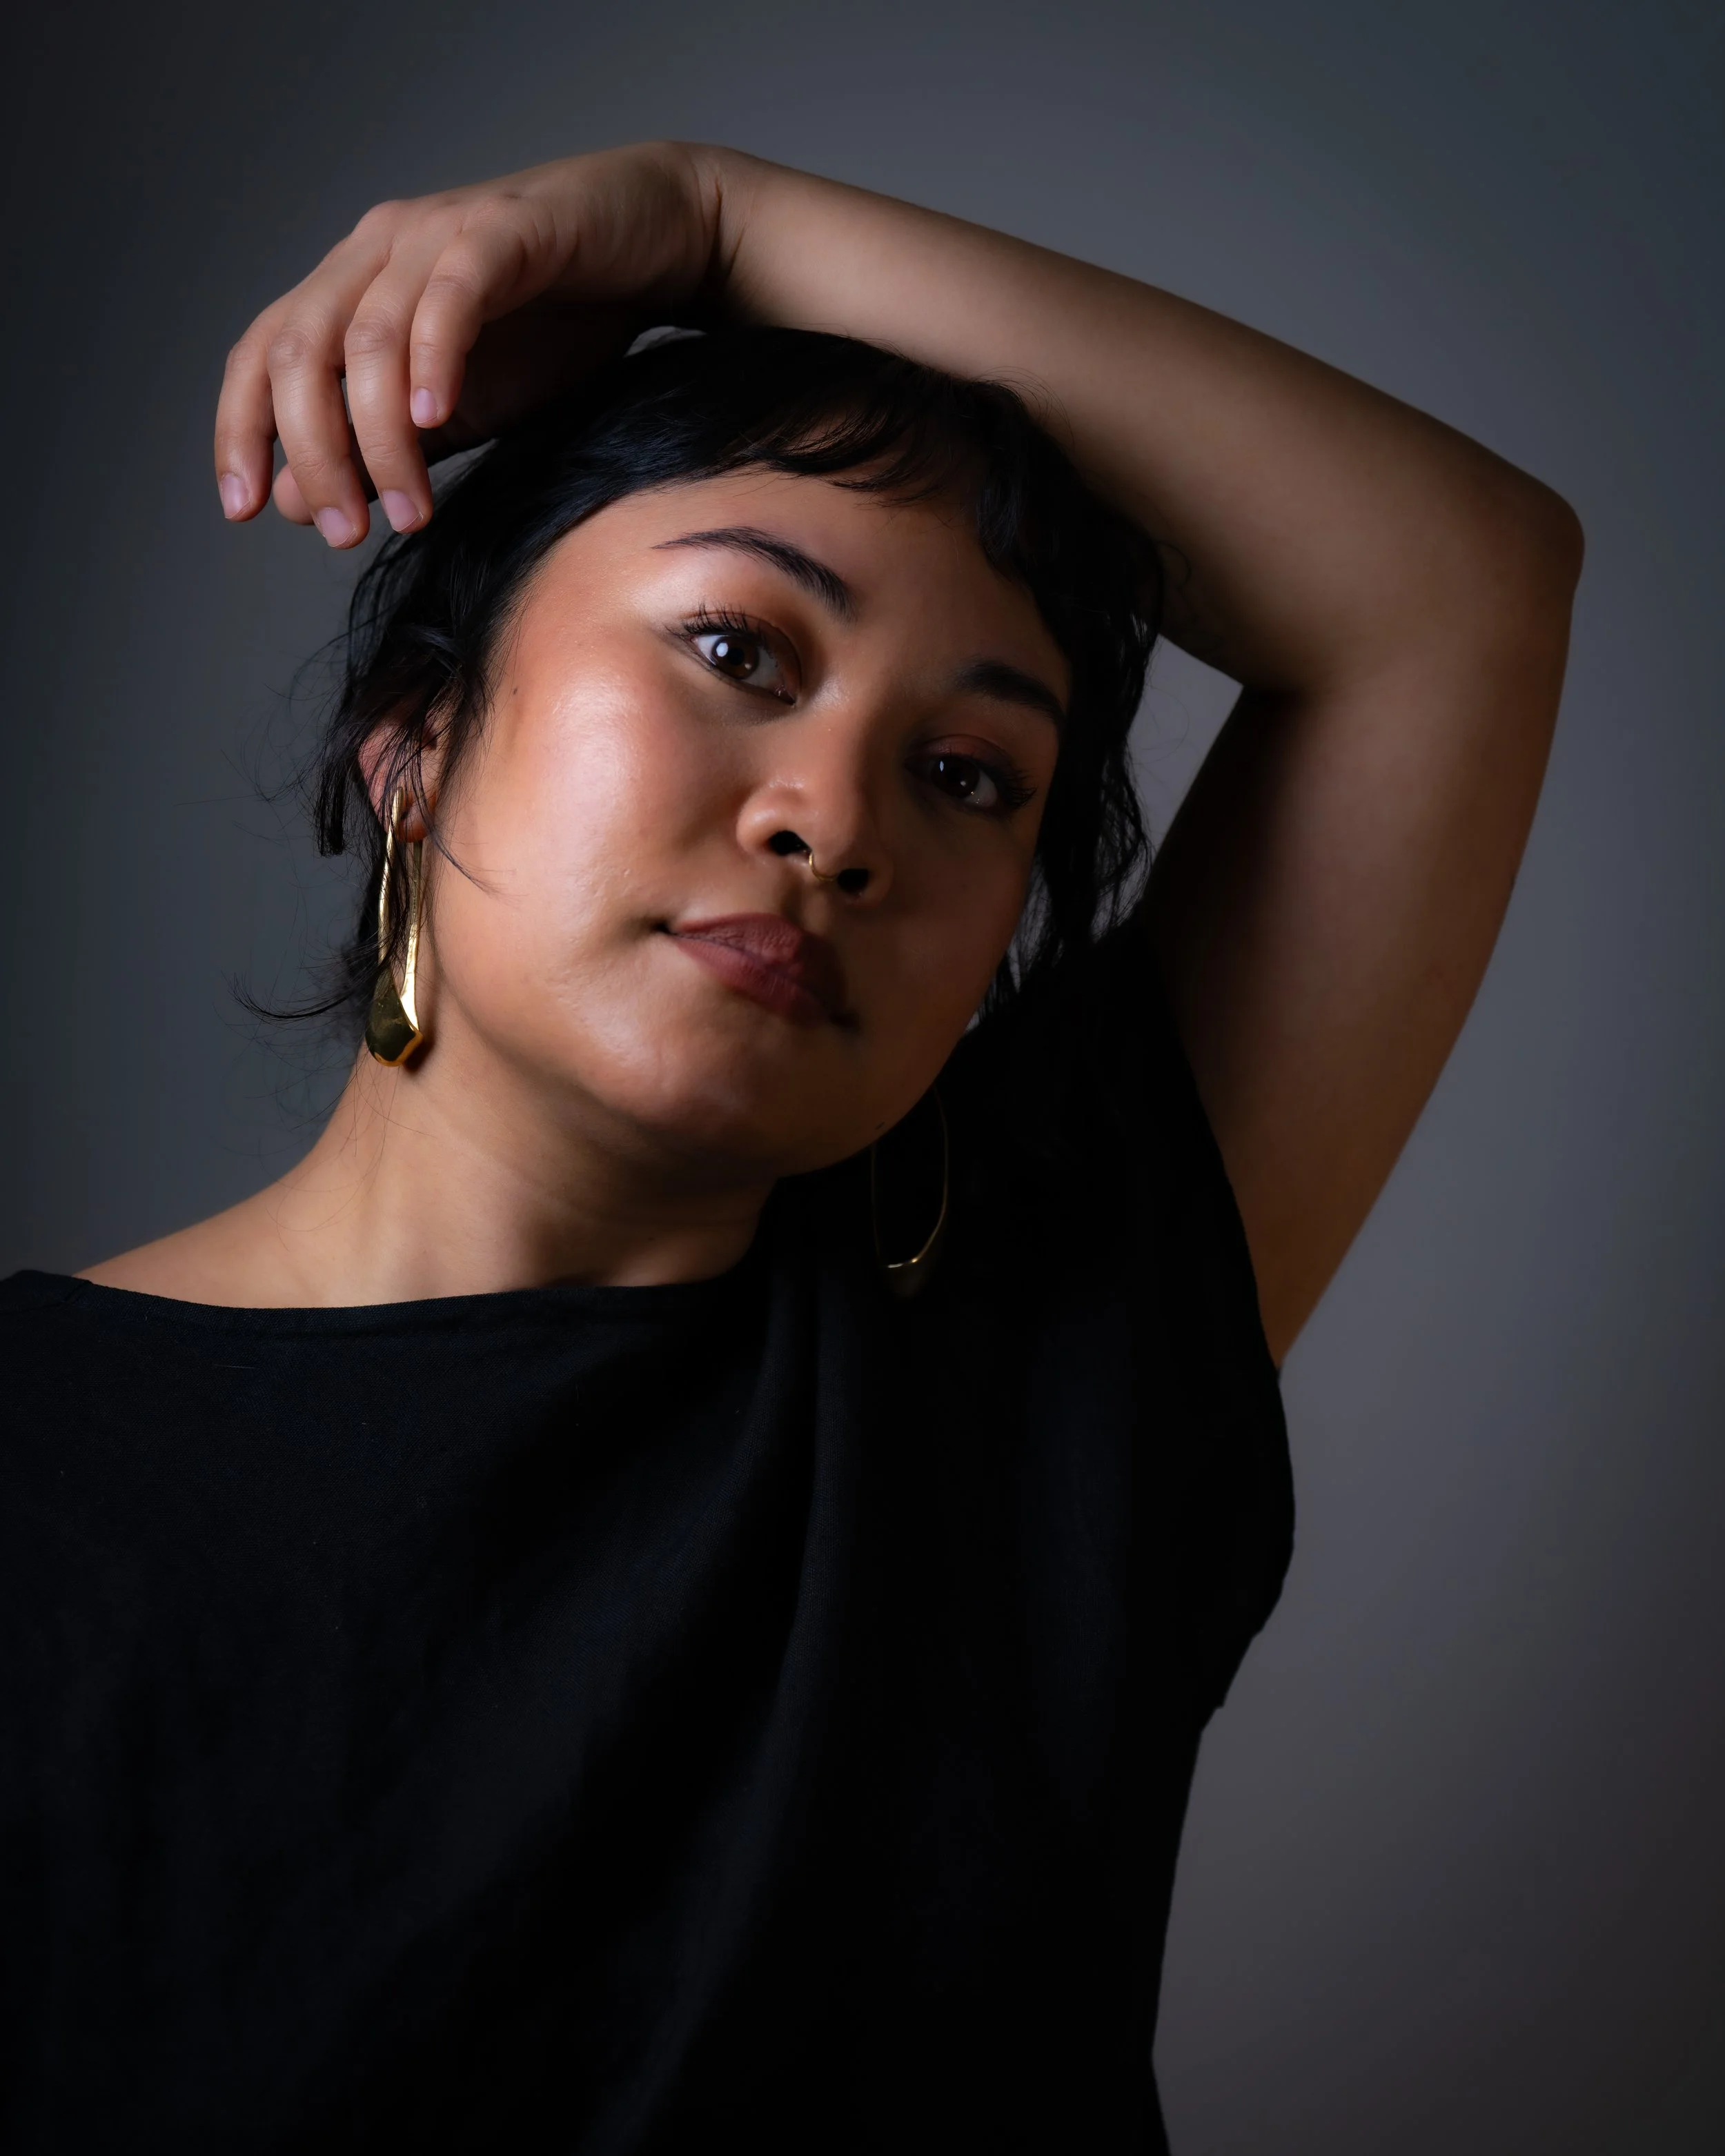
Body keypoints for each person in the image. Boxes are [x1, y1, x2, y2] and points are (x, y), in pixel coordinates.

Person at [0, 144, 1581, 2150]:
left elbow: (1456, 588)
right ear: (413, 735)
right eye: (739, 650)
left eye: (965, 773)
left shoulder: (1032, 1352)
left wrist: (709, 225)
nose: (835, 820)